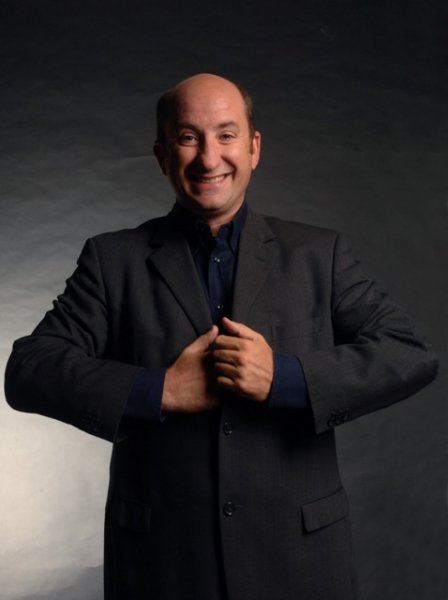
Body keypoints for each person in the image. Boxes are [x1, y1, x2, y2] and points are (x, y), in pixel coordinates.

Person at [5, 73, 438, 600]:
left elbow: (409, 352)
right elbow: (28, 370)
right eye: (188, 138)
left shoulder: (317, 254)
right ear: (162, 156)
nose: (209, 158)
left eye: (226, 135)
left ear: (254, 148)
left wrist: (285, 378)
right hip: (162, 568)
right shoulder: (111, 260)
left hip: (301, 565)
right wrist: (161, 390)